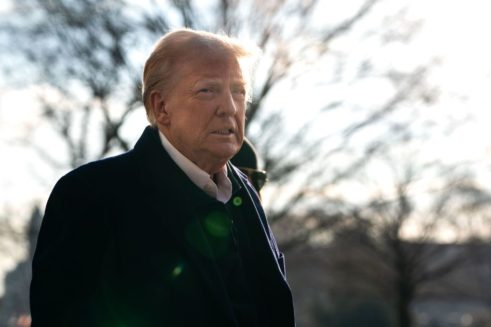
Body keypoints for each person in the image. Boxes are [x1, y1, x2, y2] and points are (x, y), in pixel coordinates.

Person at [30, 28, 295, 326]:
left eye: (238, 91)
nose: (230, 108)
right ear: (161, 107)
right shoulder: (88, 195)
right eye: (207, 90)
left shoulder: (246, 193)